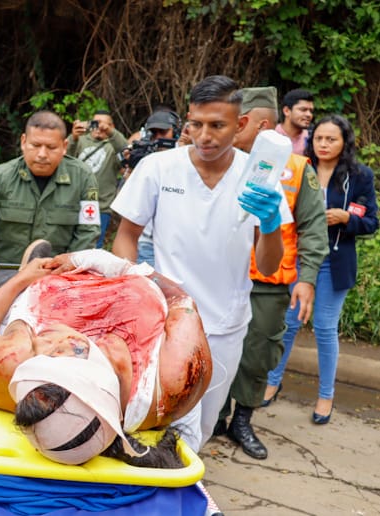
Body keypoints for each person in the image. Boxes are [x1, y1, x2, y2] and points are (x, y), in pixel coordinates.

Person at [110, 75, 287, 453]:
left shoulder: (259, 178)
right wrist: (135, 287)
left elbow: (269, 267)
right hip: (165, 319)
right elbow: (126, 235)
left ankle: (186, 478)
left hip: (225, 326)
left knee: (203, 426)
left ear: (241, 124)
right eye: (196, 124)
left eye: (217, 125)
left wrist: (271, 223)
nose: (204, 136)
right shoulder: (158, 168)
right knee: (162, 417)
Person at [0, 248, 212, 467]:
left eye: (35, 350)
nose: (39, 338)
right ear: (77, 350)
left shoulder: (11, 371)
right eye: (41, 349)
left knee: (2, 287)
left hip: (35, 286)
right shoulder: (175, 378)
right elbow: (180, 300)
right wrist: (108, 263)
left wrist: (22, 279)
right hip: (111, 284)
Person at [214, 87, 328, 459]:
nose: (230, 130)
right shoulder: (218, 163)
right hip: (220, 277)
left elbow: (313, 227)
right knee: (213, 349)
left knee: (259, 353)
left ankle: (242, 420)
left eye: (238, 123)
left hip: (268, 282)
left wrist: (307, 279)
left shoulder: (297, 169)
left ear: (260, 125)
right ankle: (214, 417)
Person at [265, 114, 378, 424]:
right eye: (319, 138)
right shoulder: (299, 168)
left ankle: (325, 395)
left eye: (331, 139)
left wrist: (346, 218)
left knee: (325, 329)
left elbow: (372, 221)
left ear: (345, 143)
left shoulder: (359, 176)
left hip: (335, 261)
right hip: (299, 257)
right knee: (288, 323)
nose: (324, 144)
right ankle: (272, 381)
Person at [0, 110, 100, 284]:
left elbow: (88, 233)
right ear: (24, 142)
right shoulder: (2, 177)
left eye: (51, 147)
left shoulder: (82, 178)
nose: (42, 154)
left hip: (56, 279)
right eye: (35, 145)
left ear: (64, 146)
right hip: (6, 278)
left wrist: (67, 275)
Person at [120, 109, 182, 267]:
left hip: (178, 245)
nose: (158, 137)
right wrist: (131, 168)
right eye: (154, 133)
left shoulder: (188, 155)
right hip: (146, 242)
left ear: (176, 132)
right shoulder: (146, 157)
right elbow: (125, 202)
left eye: (163, 132)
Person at [67, 111, 128, 247]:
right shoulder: (80, 140)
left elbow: (126, 151)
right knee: (68, 242)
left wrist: (111, 133)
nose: (99, 127)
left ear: (112, 127)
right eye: (96, 123)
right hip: (73, 202)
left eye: (104, 124)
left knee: (93, 245)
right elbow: (64, 158)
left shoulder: (113, 146)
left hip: (100, 206)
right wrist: (73, 137)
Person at [276, 89, 314, 155]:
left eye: (311, 111)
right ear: (286, 111)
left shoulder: (312, 138)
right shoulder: (271, 134)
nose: (309, 115)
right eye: (303, 110)